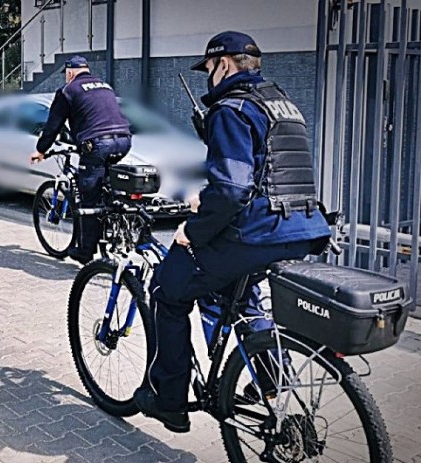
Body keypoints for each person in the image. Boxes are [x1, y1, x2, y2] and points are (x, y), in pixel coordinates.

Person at [132, 32, 331, 433]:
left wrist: (194, 230)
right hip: (304, 228)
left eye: (208, 68)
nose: (208, 77)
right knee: (239, 297)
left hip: (257, 232)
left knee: (167, 290)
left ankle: (169, 401)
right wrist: (206, 200)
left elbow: (234, 189)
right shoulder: (284, 105)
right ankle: (272, 378)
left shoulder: (231, 108)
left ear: (223, 64)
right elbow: (265, 176)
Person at [29, 56, 132, 264]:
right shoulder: (104, 86)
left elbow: (53, 125)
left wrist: (41, 150)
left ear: (69, 73)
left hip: (97, 144)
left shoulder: (67, 91)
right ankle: (116, 220)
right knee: (107, 184)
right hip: (124, 140)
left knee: (88, 195)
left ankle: (86, 251)